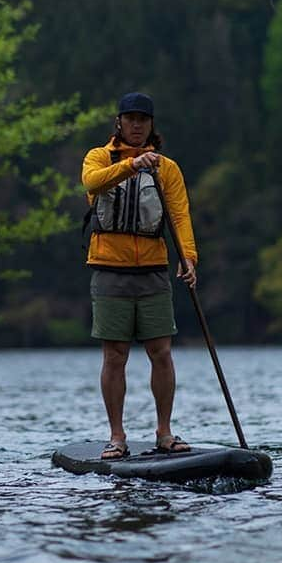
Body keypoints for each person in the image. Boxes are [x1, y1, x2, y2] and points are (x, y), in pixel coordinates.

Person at [81, 92, 198, 460]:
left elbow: (179, 215)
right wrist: (132, 166)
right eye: (129, 119)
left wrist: (188, 257)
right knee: (115, 355)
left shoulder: (168, 168)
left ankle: (164, 432)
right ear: (118, 122)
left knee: (160, 352)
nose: (136, 125)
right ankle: (117, 436)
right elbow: (92, 183)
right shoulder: (99, 157)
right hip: (109, 268)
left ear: (151, 125)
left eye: (142, 120)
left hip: (152, 269)